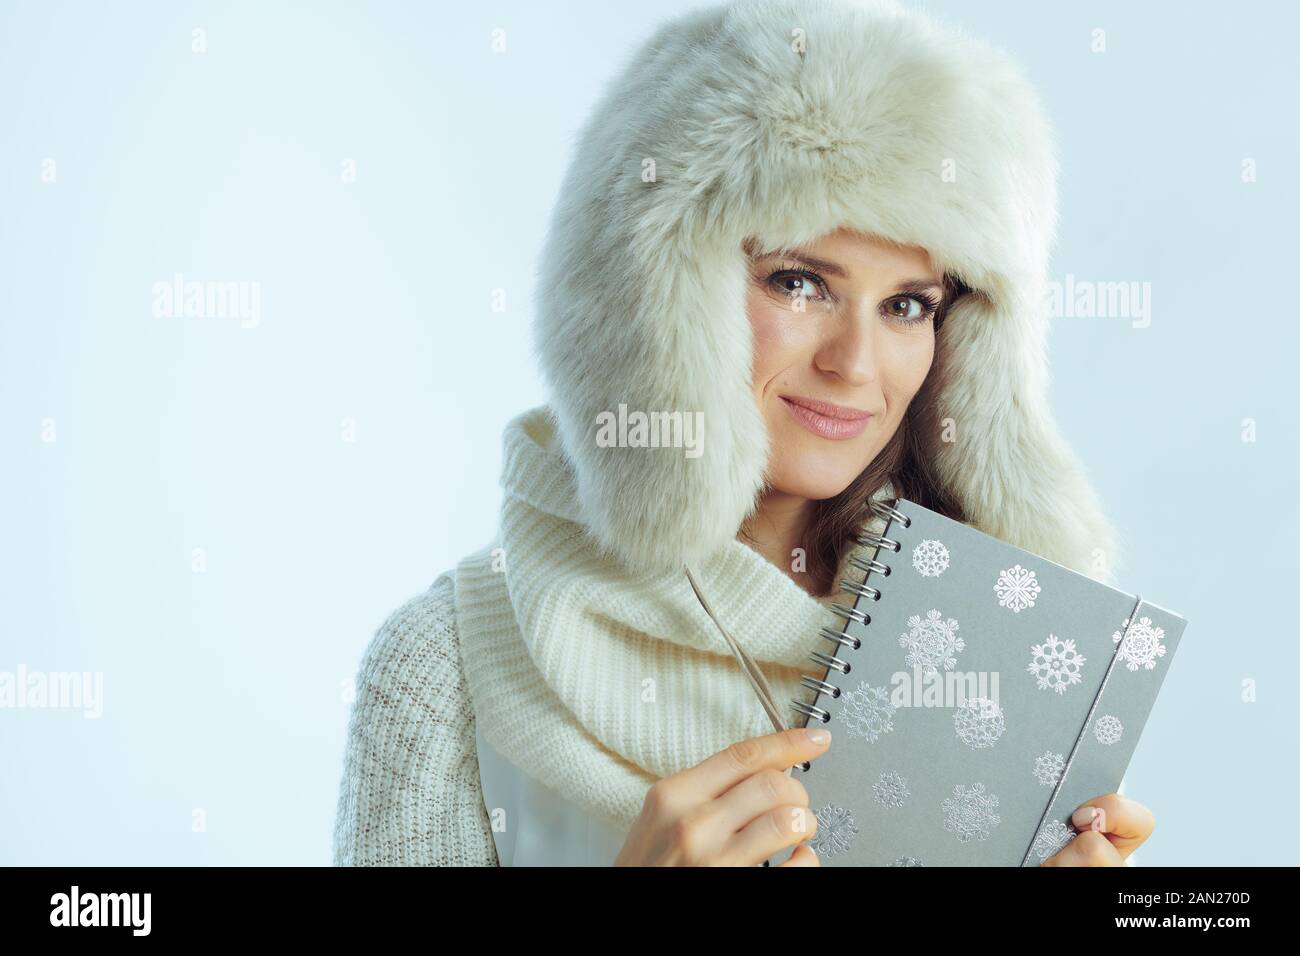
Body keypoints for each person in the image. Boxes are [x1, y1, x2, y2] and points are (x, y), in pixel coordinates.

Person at [332, 0, 1154, 866]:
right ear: (655, 301)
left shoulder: (1010, 653)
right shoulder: (445, 667)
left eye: (908, 305)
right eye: (799, 283)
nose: (857, 364)